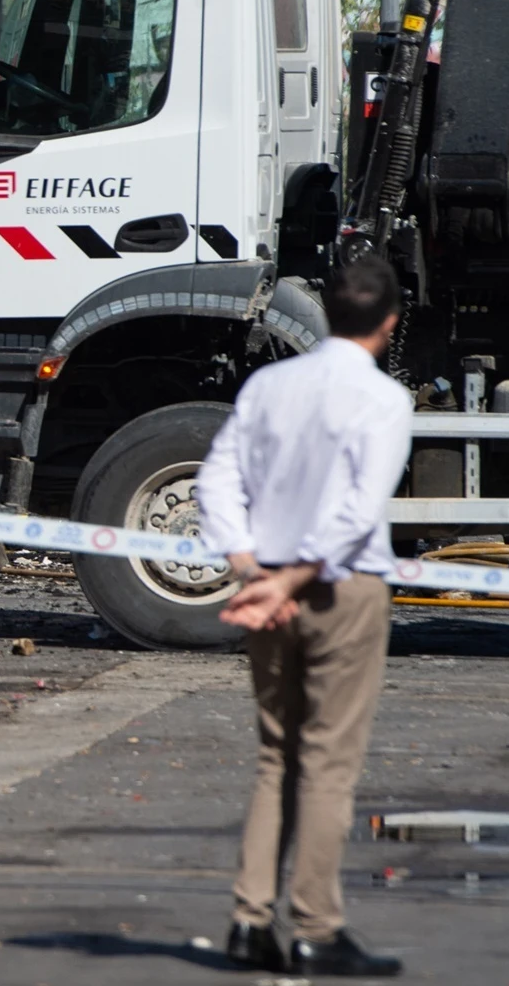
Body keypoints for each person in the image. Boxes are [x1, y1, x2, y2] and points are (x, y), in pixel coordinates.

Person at [196, 253, 412, 978]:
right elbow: (357, 511)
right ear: (388, 322)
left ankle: (249, 920)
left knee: (274, 758)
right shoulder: (384, 401)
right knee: (326, 764)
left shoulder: (269, 386)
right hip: (336, 589)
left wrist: (251, 569)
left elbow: (217, 479)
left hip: (270, 588)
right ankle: (317, 926)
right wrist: (289, 578)